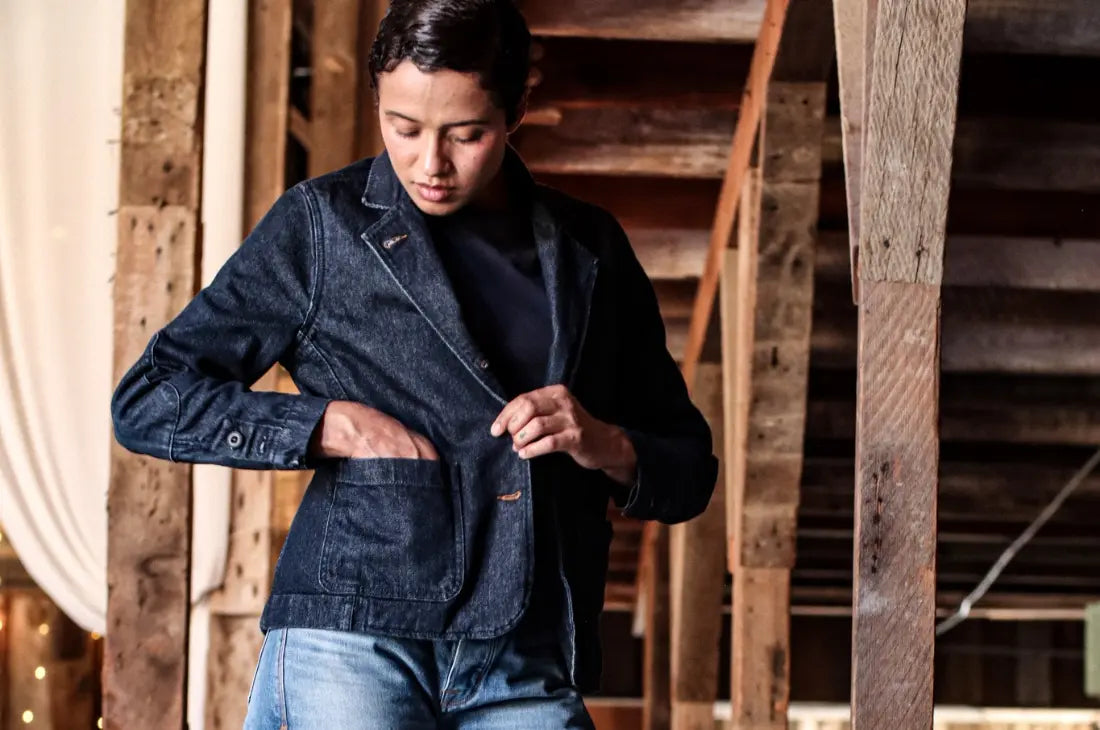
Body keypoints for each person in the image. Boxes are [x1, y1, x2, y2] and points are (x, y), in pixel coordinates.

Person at [111, 0, 717, 727]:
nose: (431, 165)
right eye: (403, 128)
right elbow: (150, 399)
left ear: (518, 109)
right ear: (377, 101)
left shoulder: (591, 248)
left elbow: (689, 471)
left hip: (527, 656)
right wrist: (327, 425)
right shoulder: (321, 225)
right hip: (352, 632)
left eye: (466, 134)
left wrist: (603, 440)